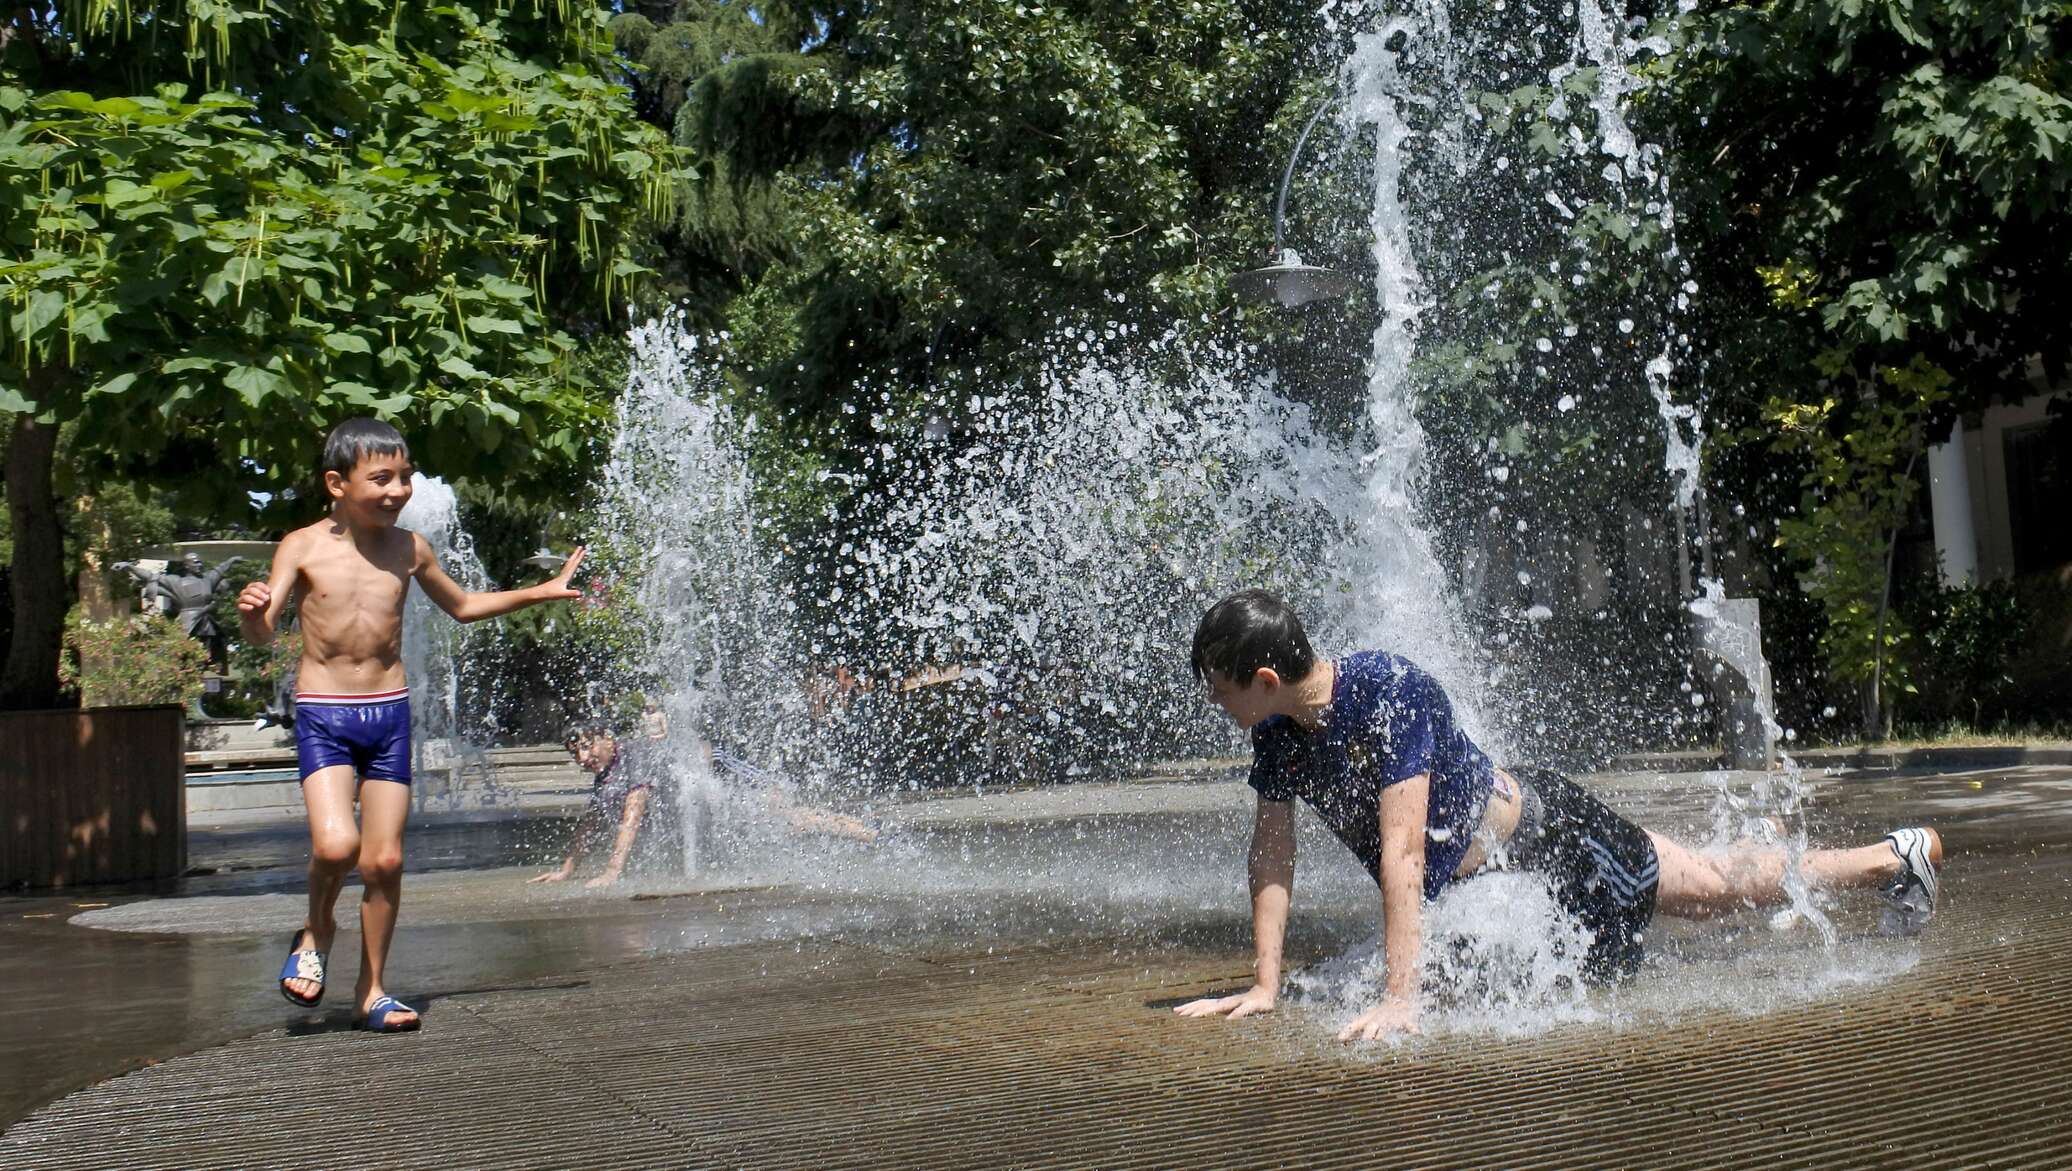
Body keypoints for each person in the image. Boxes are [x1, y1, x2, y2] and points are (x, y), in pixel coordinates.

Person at [1172, 589, 1945, 1041]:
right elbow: (1272, 856)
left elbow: (1402, 851)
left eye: (1219, 686)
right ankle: (1767, 842)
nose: (1215, 702)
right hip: (1492, 874)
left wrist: (1400, 997)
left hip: (1554, 840)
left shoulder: (1387, 694)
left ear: (1266, 676)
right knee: (1677, 903)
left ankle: (1893, 856)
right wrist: (1264, 984)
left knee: (1710, 894)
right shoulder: (1278, 735)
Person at [237, 418, 586, 1032]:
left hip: (389, 715)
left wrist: (540, 591)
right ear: (336, 484)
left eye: (404, 476)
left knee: (384, 862)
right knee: (336, 847)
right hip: (325, 715)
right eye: (381, 478)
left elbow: (464, 607)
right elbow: (265, 633)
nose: (398, 489)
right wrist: (254, 615)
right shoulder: (302, 545)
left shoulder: (410, 548)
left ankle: (371, 991)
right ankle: (316, 931)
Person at [529, 724, 656, 888]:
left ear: (608, 741)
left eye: (587, 747)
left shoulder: (637, 755)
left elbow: (631, 819)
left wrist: (612, 872)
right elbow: (590, 823)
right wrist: (566, 871)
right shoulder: (606, 771)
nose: (582, 758)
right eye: (574, 752)